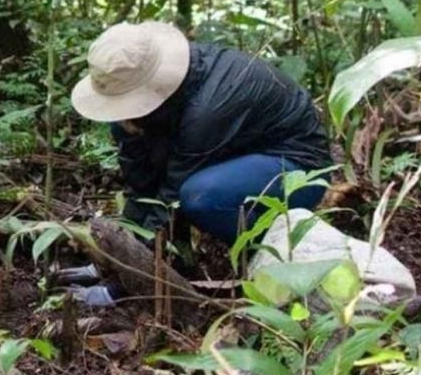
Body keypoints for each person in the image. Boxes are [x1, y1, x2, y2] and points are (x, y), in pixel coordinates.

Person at [71, 21, 332, 246]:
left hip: (297, 168)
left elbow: (171, 198)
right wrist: (121, 242)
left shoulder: (208, 109)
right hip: (234, 155)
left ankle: (272, 253)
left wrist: (133, 268)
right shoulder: (151, 107)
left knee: (200, 196)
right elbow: (141, 184)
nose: (124, 116)